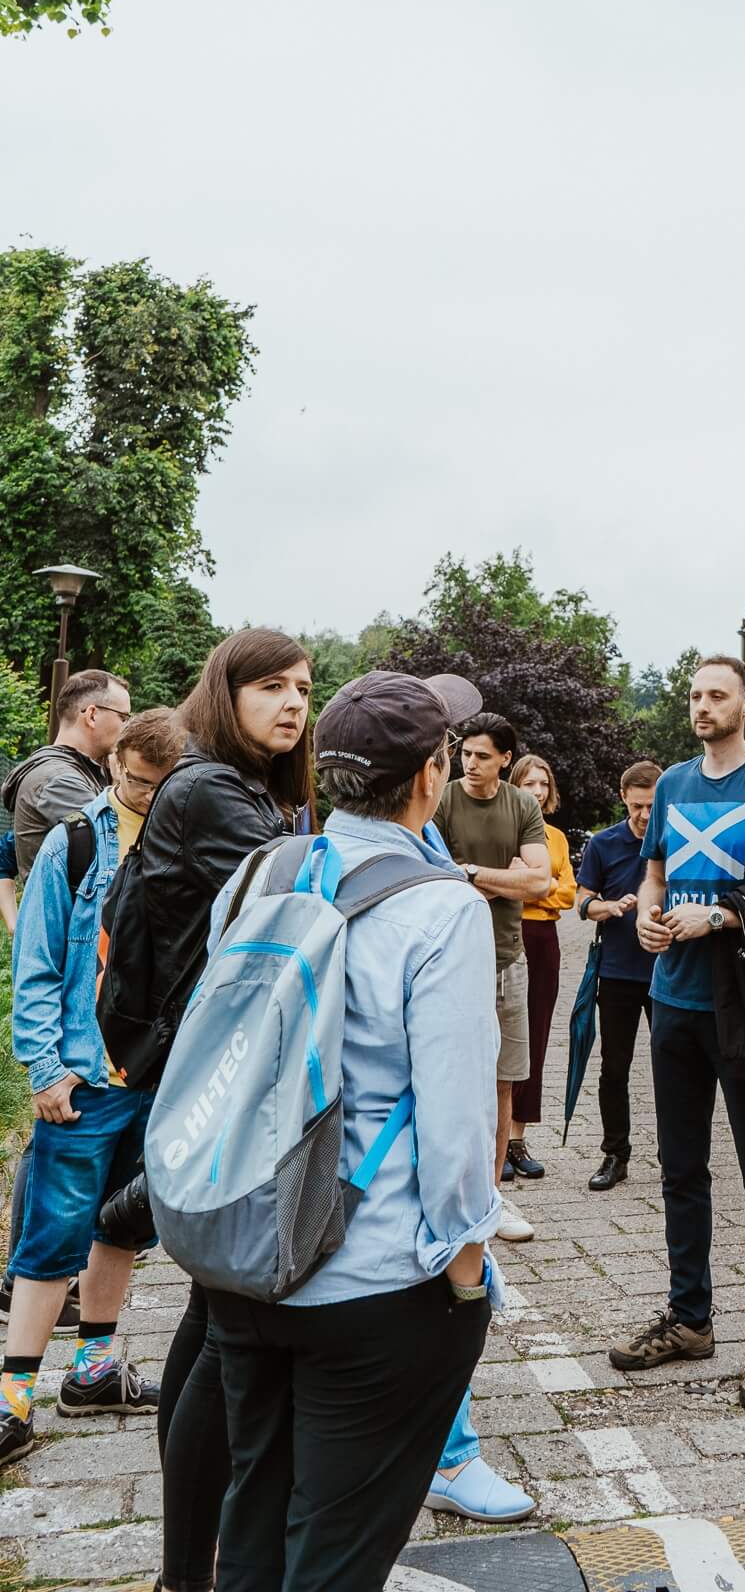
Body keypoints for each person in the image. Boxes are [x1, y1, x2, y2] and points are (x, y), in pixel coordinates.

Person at [203, 670, 499, 1590]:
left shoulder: (261, 870)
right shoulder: (440, 904)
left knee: (254, 1507)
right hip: (371, 1270)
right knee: (340, 1545)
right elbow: (455, 1115)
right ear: (429, 774)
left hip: (246, 1251)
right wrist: (462, 1261)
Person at [609, 656, 745, 1411]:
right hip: (674, 1001)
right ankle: (689, 1319)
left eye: (716, 695)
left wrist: (723, 917)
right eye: (694, 695)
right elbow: (655, 875)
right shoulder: (671, 784)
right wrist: (644, 911)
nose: (702, 706)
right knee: (679, 1169)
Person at [148, 629, 315, 1592]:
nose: (292, 704)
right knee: (221, 1321)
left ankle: (187, 1569)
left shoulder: (250, 789)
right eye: (270, 687)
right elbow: (310, 901)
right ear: (227, 691)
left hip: (210, 1073)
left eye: (302, 688)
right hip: (205, 1080)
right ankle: (186, 1574)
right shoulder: (211, 788)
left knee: (209, 1313)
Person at [0, 709, 185, 1469]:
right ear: (114, 763)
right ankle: (12, 1405)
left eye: (152, 783)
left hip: (159, 1075)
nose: (137, 792)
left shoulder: (191, 843)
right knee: (51, 1236)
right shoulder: (78, 841)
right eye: (128, 777)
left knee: (124, 1226)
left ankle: (94, 1374)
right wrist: (44, 1067)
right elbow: (38, 961)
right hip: (84, 1077)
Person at [432, 712, 550, 1245]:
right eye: (466, 753)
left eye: (483, 755)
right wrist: (507, 879)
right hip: (451, 958)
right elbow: (433, 878)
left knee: (504, 1082)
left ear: (506, 759)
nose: (471, 763)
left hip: (507, 958)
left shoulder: (522, 804)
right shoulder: (441, 800)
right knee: (451, 1079)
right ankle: (443, 1191)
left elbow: (541, 882)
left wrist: (473, 873)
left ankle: (489, 1195)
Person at [575, 760, 661, 1192]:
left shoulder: (676, 841)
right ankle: (615, 1153)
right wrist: (604, 908)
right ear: (623, 798)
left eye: (652, 805)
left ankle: (675, 1151)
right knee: (614, 1067)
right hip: (619, 971)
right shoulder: (603, 843)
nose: (645, 815)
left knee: (675, 1066)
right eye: (637, 806)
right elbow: (582, 901)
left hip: (669, 972)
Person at [504, 754, 574, 1182]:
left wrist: (532, 885)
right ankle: (491, 1137)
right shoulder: (503, 831)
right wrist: (533, 885)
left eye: (543, 784)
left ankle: (516, 1139)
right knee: (499, 1038)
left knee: (535, 1038)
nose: (537, 791)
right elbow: (499, 888)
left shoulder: (557, 838)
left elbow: (566, 894)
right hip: (506, 935)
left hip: (544, 941)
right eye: (529, 783)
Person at [1, 669, 131, 884]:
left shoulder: (73, 771)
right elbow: (116, 851)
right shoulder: (60, 780)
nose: (126, 728)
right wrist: (123, 784)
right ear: (92, 715)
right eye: (123, 717)